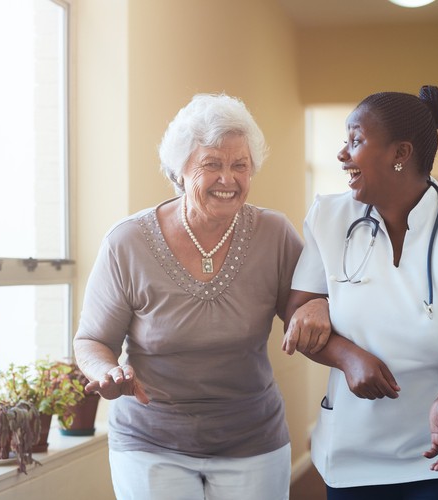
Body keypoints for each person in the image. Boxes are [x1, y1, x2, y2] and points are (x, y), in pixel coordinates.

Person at [283, 85, 438, 499]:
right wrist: (347, 356)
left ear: (401, 153)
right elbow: (297, 316)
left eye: (356, 141)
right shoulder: (328, 217)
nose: (343, 154)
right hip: (357, 453)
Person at [73, 93, 309, 500]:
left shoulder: (274, 234)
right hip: (150, 440)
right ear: (179, 171)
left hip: (252, 437)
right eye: (211, 164)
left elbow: (305, 305)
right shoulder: (127, 242)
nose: (228, 179)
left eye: (240, 165)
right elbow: (92, 340)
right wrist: (107, 373)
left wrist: (316, 305)